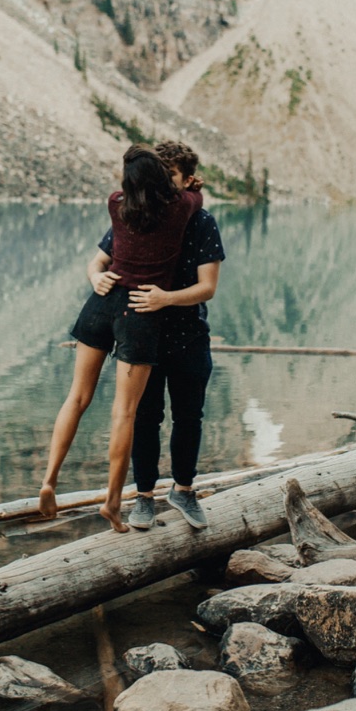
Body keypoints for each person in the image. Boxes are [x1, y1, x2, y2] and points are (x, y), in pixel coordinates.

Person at [38, 145, 203, 532]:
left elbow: (118, 219)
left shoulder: (117, 205)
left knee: (76, 397)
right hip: (139, 312)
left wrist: (97, 275)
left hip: (100, 304)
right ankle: (113, 502)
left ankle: (49, 480)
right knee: (124, 412)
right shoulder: (180, 209)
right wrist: (192, 185)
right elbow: (194, 195)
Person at [91, 140, 225, 531]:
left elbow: (208, 287)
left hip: (189, 335)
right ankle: (143, 497)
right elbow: (99, 260)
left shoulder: (201, 221)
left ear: (187, 178)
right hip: (142, 336)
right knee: (145, 417)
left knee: (189, 416)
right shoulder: (139, 213)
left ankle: (184, 490)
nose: (164, 184)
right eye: (159, 176)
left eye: (171, 176)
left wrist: (166, 298)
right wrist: (97, 278)